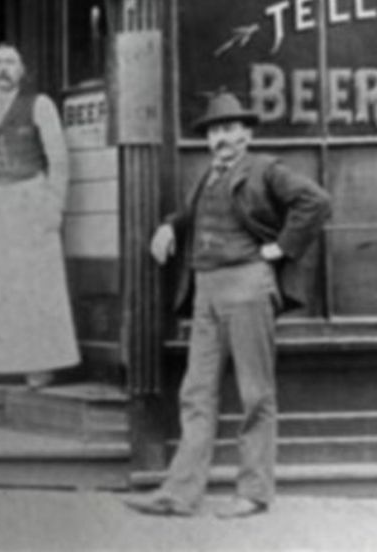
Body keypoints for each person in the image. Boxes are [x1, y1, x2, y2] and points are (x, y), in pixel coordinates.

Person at [125, 90, 331, 520]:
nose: (222, 137)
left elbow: (316, 202)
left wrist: (281, 248)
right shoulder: (208, 176)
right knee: (196, 393)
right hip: (206, 291)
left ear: (246, 133)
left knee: (256, 393)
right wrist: (166, 227)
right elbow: (187, 216)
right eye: (216, 130)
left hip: (247, 286)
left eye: (230, 128)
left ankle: (254, 492)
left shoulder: (264, 169)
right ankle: (181, 493)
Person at [0, 42, 79, 387]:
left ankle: (41, 364)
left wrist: (55, 206)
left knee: (35, 286)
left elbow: (59, 159)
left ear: (22, 70)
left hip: (29, 199)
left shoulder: (40, 105)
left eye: (10, 62)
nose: (3, 68)